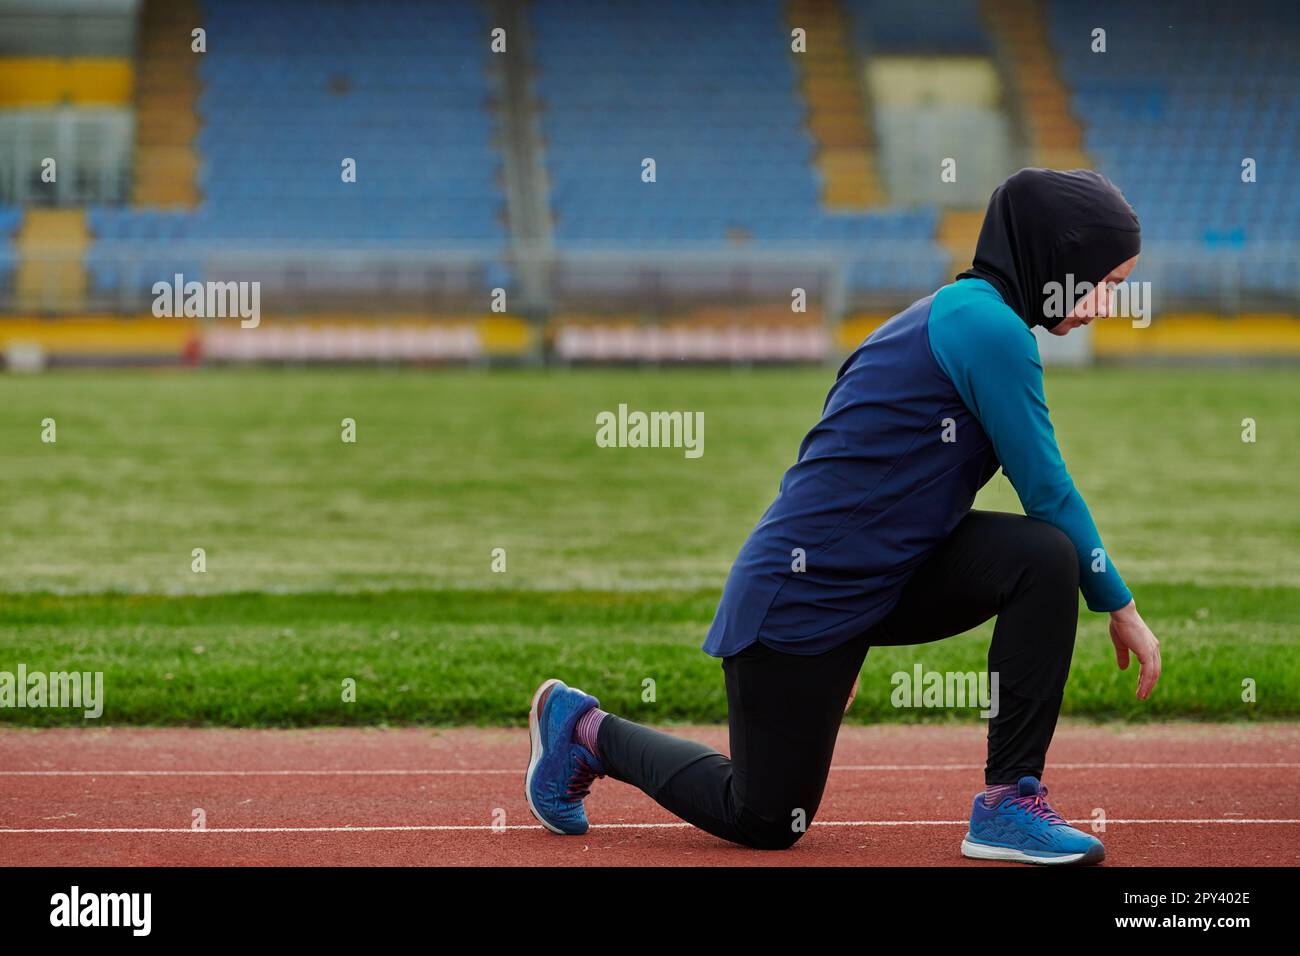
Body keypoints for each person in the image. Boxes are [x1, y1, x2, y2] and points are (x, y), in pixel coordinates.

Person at [524, 168, 1162, 865]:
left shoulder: (956, 314)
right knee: (766, 819)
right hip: (800, 598)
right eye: (1108, 280)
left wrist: (859, 629)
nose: (1111, 302)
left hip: (871, 581)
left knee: (1043, 558)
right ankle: (584, 729)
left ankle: (1010, 803)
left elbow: (845, 461)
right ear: (1059, 258)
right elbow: (1048, 487)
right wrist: (1119, 604)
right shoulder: (985, 326)